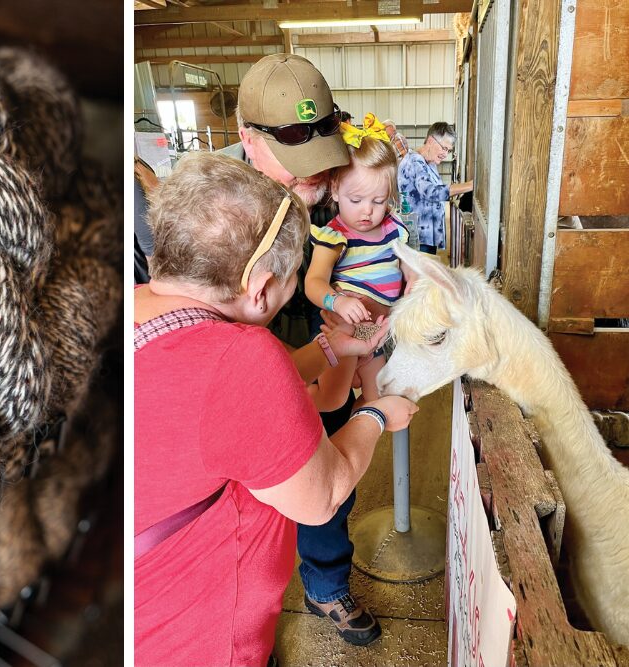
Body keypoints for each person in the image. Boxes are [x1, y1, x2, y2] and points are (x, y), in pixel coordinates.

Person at [134, 151, 419, 667]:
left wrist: (336, 349)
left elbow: (229, 405)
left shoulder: (137, 305)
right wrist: (377, 416)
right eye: (290, 286)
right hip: (198, 639)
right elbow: (323, 495)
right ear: (261, 289)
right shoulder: (241, 356)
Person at [221, 52, 385, 646]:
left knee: (330, 469)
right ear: (246, 139)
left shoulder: (326, 182)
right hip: (249, 355)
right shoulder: (215, 208)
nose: (312, 180)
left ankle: (324, 585)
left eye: (321, 162)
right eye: (296, 166)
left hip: (324, 332)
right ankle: (242, 627)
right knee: (251, 491)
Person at [304, 114, 407, 412]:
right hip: (346, 331)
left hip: (376, 333)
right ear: (335, 190)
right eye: (356, 200)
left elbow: (407, 266)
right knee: (331, 399)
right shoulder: (335, 236)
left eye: (378, 201)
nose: (367, 211)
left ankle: (353, 439)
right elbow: (314, 282)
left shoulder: (393, 229)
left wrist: (413, 279)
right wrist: (336, 302)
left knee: (377, 400)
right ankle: (284, 401)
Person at [397, 122, 473, 254]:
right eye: (444, 148)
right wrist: (470, 185)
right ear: (431, 141)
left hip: (427, 237)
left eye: (448, 150)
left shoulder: (429, 163)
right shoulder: (414, 162)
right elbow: (431, 192)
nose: (445, 154)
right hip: (418, 239)